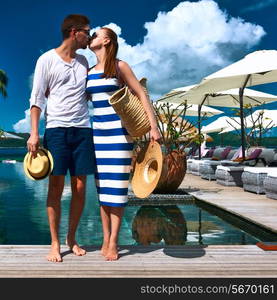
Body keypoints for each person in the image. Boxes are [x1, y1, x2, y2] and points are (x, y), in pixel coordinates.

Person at [86, 27, 161, 261]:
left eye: (96, 34)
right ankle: (105, 238)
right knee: (103, 191)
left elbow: (141, 94)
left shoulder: (120, 67)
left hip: (119, 135)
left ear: (107, 40)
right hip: (97, 135)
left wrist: (154, 127)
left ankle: (114, 242)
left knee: (117, 190)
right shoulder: (88, 72)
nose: (92, 37)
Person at [27, 14, 94, 263]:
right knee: (55, 187)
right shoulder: (46, 60)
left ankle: (71, 238)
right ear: (74, 31)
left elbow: (89, 94)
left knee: (79, 187)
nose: (90, 36)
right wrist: (34, 133)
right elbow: (37, 99)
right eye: (88, 31)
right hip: (56, 130)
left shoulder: (84, 61)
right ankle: (54, 243)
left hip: (83, 130)